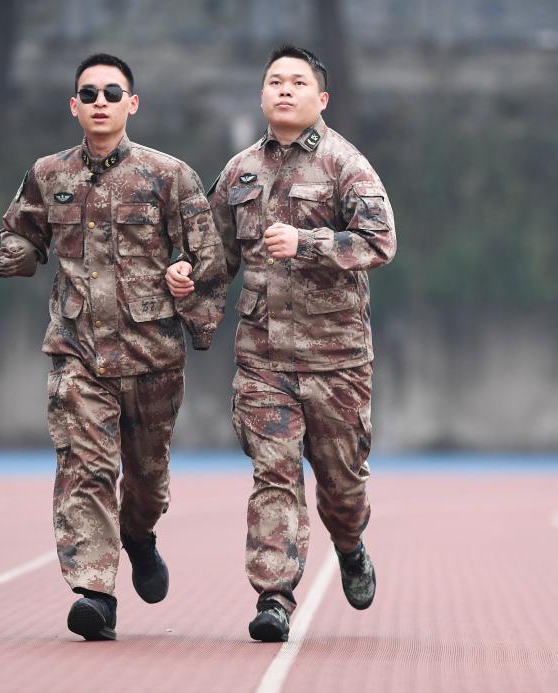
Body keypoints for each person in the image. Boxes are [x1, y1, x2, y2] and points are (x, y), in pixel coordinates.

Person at [0, 53, 226, 641]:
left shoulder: (169, 176)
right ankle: (95, 592)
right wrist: (5, 259)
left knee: (147, 480)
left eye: (112, 93)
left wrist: (186, 278)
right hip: (79, 351)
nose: (100, 102)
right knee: (85, 468)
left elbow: (209, 255)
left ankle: (139, 534)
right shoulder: (49, 174)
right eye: (88, 93)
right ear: (73, 105)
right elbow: (21, 233)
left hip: (152, 357)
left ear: (131, 104)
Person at [166, 45, 396, 642]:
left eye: (298, 82)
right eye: (275, 81)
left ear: (322, 98)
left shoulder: (346, 164)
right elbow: (214, 255)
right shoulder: (240, 172)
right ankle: (274, 596)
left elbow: (380, 241)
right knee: (274, 475)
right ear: (262, 95)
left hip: (337, 360)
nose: (285, 90)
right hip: (263, 359)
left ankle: (350, 543)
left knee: (342, 484)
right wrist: (187, 279)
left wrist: (308, 242)